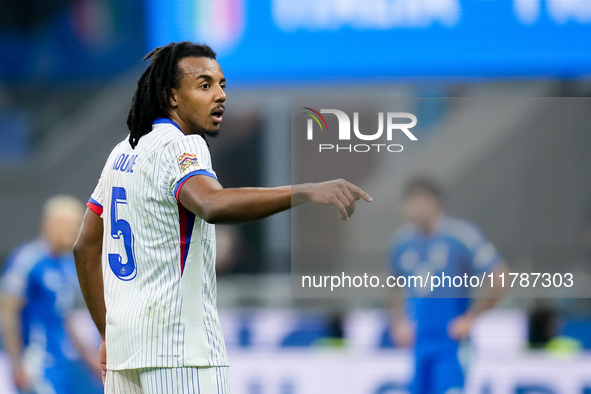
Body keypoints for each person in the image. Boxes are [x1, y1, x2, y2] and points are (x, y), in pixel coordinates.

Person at [73, 41, 372, 393]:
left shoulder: (124, 151)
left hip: (127, 355)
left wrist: (108, 333)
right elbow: (211, 204)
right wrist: (304, 191)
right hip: (182, 353)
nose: (220, 95)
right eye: (204, 85)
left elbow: (85, 246)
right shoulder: (182, 144)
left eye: (222, 85)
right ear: (171, 97)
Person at [388, 177, 507, 394]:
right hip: (419, 344)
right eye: (409, 202)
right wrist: (398, 322)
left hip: (451, 343)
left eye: (418, 202)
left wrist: (472, 318)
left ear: (435, 203)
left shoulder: (460, 236)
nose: (412, 209)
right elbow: (392, 284)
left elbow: (500, 276)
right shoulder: (402, 242)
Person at [0, 195, 101, 394]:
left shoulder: (68, 264)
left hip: (63, 364)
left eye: (77, 225)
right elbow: (8, 313)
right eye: (67, 225)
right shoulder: (27, 260)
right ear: (49, 224)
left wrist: (89, 358)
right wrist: (17, 363)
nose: (73, 231)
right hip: (36, 364)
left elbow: (66, 317)